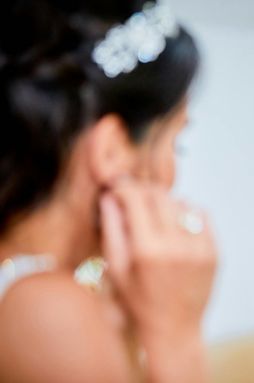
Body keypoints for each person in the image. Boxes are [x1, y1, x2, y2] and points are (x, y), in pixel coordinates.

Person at [0, 0, 217, 382]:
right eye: (174, 141)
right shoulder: (47, 310)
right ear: (111, 150)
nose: (172, 173)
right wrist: (177, 337)